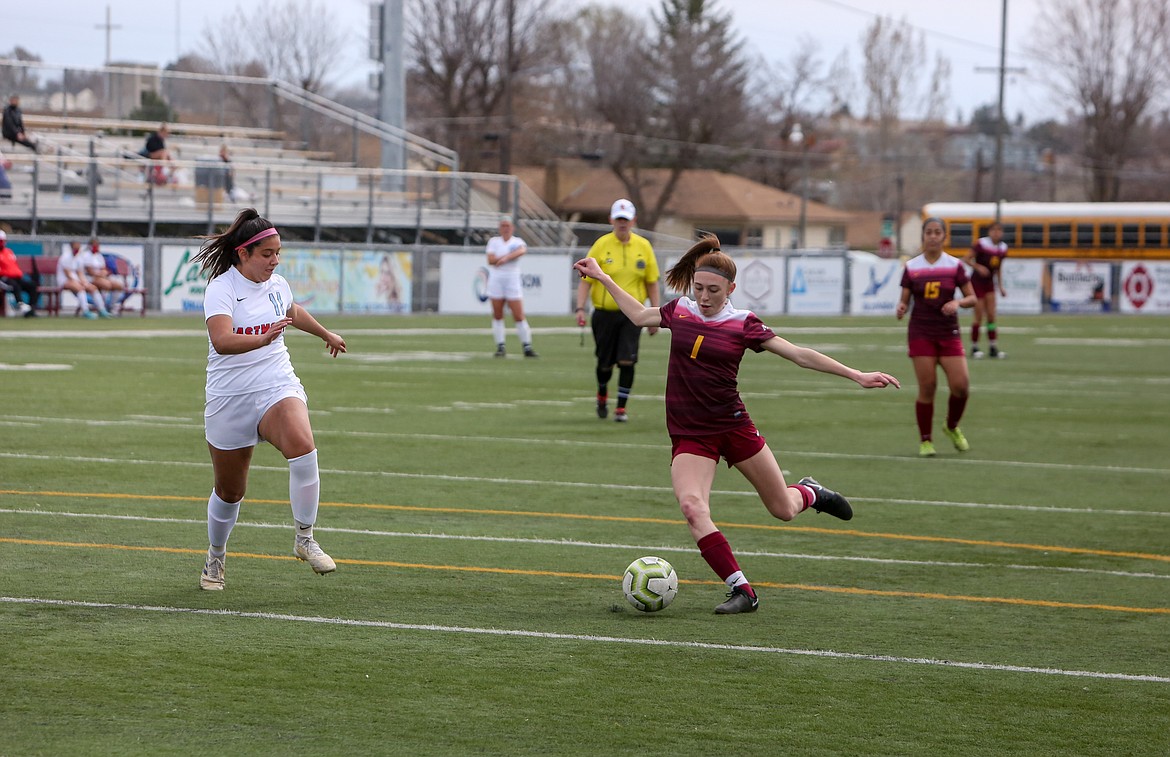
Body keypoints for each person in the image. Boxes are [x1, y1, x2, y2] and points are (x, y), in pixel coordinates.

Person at [574, 234, 900, 614]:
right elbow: (638, 315)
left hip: (734, 427)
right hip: (691, 435)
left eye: (713, 290)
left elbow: (799, 355)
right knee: (693, 507)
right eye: (698, 288)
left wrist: (856, 374)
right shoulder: (678, 310)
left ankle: (809, 492)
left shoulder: (742, 323)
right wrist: (601, 276)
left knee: (783, 509)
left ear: (731, 288)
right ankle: (742, 589)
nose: (704, 297)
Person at [191, 207, 347, 590]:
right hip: (230, 397)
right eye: (267, 254)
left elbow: (291, 311)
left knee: (303, 446)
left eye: (278, 253)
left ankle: (305, 539)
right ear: (243, 253)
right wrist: (261, 339)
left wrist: (325, 333)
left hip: (276, 384)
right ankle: (215, 557)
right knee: (230, 492)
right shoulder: (222, 289)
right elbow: (222, 340)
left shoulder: (277, 284)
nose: (275, 261)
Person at [896, 216, 977, 458]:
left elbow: (972, 298)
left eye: (937, 232)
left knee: (961, 386)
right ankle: (926, 440)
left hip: (948, 332)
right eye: (929, 232)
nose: (933, 236)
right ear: (923, 236)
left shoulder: (955, 266)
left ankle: (951, 426)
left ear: (944, 236)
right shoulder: (912, 267)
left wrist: (958, 302)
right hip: (921, 332)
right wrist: (901, 308)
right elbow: (904, 300)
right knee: (928, 387)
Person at [575, 199, 660, 422]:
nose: (623, 223)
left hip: (634, 315)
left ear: (634, 220)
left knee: (627, 360)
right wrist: (580, 308)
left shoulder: (644, 246)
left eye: (626, 219)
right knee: (605, 364)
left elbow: (652, 282)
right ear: (612, 220)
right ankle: (602, 393)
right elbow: (585, 279)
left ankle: (621, 408)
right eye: (619, 219)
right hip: (604, 314)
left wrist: (654, 316)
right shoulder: (601, 245)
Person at [485, 214, 537, 358]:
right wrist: (506, 257)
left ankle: (527, 345)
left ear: (512, 228)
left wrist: (505, 258)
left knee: (518, 314)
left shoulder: (517, 241)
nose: (505, 228)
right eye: (503, 226)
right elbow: (490, 260)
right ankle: (500, 345)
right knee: (497, 314)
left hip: (512, 279)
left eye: (508, 226)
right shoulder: (494, 242)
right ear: (499, 228)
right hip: (497, 279)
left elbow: (521, 251)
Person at [964, 221, 1008, 359]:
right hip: (977, 283)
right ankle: (974, 347)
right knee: (978, 316)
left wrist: (1000, 286)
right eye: (994, 230)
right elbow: (966, 259)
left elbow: (999, 268)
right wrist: (978, 267)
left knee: (991, 316)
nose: (997, 233)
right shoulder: (981, 244)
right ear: (989, 232)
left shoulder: (1003, 248)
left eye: (999, 230)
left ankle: (993, 347)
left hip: (989, 284)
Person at [58, 240, 110, 319]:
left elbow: (80, 273)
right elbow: (68, 274)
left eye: (79, 246)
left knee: (93, 288)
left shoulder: (79, 257)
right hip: (64, 280)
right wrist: (79, 282)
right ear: (72, 247)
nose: (78, 248)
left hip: (76, 280)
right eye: (76, 246)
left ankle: (102, 310)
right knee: (80, 288)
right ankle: (86, 311)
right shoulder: (65, 257)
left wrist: (84, 282)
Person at [79, 237, 125, 314]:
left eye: (97, 245)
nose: (96, 247)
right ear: (90, 246)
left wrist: (104, 273)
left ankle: (111, 306)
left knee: (119, 286)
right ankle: (102, 307)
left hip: (101, 277)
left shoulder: (98, 255)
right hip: (90, 278)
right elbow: (90, 271)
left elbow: (104, 268)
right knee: (106, 285)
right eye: (94, 245)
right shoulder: (85, 255)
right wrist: (101, 274)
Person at [0, 229, 39, 317]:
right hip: (3, 279)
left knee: (32, 285)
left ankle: (31, 310)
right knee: (14, 285)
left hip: (16, 277)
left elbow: (13, 266)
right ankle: (21, 305)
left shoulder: (8, 252)